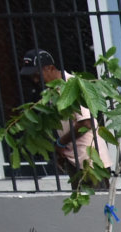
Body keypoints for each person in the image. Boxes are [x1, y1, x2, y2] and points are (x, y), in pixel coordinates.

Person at [18, 47, 107, 178]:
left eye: (37, 75)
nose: (36, 80)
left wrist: (60, 143)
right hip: (74, 158)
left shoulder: (72, 85)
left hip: (90, 160)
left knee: (97, 197)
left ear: (50, 68)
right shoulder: (52, 91)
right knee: (79, 197)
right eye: (32, 77)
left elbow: (86, 123)